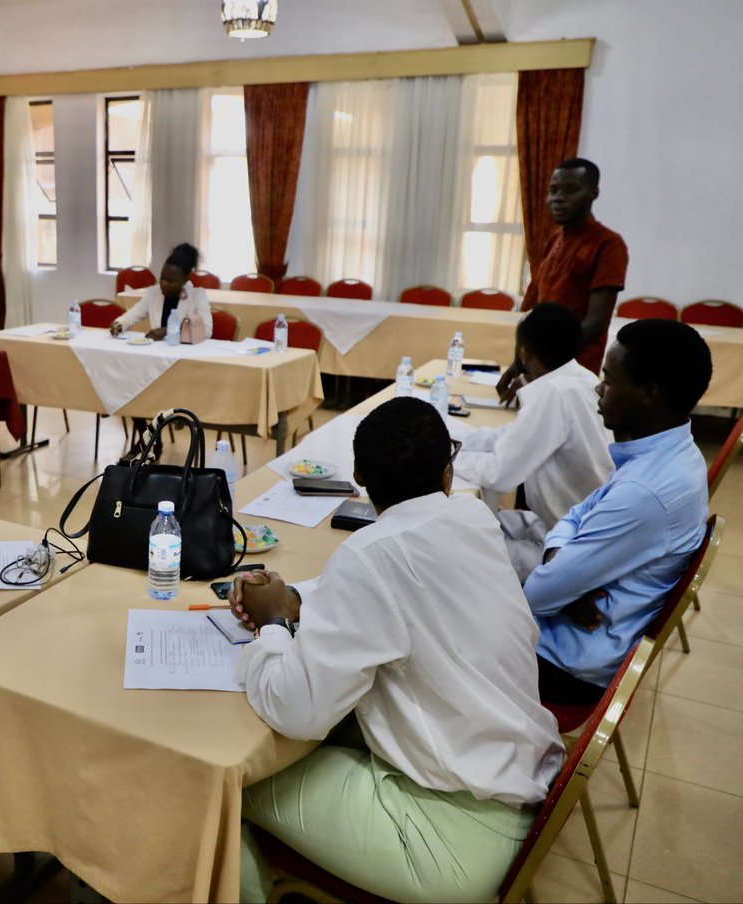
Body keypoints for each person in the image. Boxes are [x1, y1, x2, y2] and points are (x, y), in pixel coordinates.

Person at [232, 397, 564, 904]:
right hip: (513, 776)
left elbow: (296, 711)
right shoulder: (471, 515)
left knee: (226, 786)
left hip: (450, 836)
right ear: (449, 472)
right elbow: (400, 588)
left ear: (359, 477)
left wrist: (274, 624)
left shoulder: (368, 556)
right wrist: (297, 598)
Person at [524, 319, 712, 704]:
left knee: (447, 606)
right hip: (579, 634)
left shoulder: (645, 492)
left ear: (649, 393)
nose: (598, 388)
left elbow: (537, 595)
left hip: (562, 662)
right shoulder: (672, 452)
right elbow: (575, 514)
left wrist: (560, 582)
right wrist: (565, 574)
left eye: (609, 380)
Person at [453, 303, 613, 579]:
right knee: (468, 521)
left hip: (569, 549)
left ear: (524, 352)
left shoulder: (555, 393)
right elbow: (510, 436)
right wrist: (454, 438)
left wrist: (447, 459)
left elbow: (499, 474)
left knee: (457, 548)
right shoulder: (581, 378)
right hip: (573, 528)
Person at [499, 158, 628, 402]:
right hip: (540, 366)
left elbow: (595, 322)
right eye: (554, 190)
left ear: (593, 193)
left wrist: (539, 362)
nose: (558, 198)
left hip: (574, 371)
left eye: (570, 190)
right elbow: (536, 312)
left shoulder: (608, 244)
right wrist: (521, 363)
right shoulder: (554, 240)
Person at [109, 242, 212, 341]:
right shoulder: (154, 292)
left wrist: (167, 330)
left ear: (185, 279)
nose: (164, 284)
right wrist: (119, 324)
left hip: (183, 349)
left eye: (170, 281)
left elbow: (207, 330)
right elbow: (133, 314)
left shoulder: (198, 296)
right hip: (158, 349)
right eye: (162, 278)